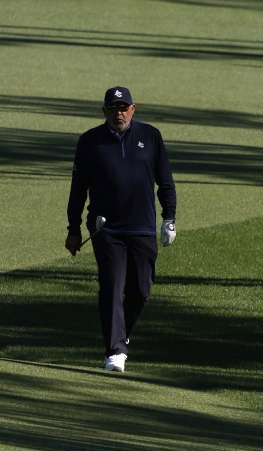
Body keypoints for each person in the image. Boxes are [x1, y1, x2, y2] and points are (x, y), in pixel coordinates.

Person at [66, 86, 177, 373]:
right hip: (107, 228)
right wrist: (74, 228)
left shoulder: (150, 136)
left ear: (133, 109)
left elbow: (165, 181)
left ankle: (121, 334)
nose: (119, 113)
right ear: (104, 111)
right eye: (113, 109)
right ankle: (115, 351)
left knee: (141, 290)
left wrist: (169, 218)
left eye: (124, 108)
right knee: (113, 287)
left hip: (141, 226)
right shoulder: (90, 142)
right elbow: (78, 189)